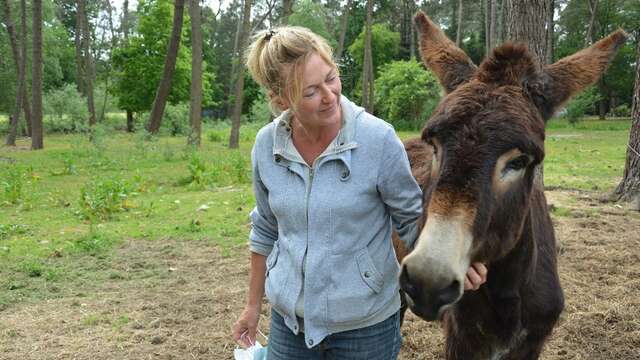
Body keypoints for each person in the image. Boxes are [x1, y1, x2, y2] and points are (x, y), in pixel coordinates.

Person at [232, 26, 487, 359]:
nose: (330, 95)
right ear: (281, 99)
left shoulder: (378, 140)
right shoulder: (267, 146)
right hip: (289, 323)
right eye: (310, 91)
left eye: (331, 77)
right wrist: (253, 306)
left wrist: (451, 260)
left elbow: (411, 219)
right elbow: (266, 227)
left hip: (365, 327)